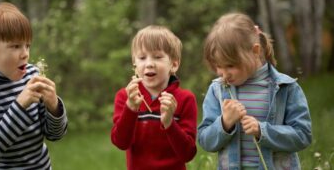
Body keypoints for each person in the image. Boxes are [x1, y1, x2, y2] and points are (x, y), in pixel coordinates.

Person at [0, 2, 68, 169]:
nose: (25, 54)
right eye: (16, 46)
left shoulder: (32, 75)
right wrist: (20, 105)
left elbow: (55, 135)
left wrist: (54, 107)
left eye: (27, 46)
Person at [198, 13, 312, 169]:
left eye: (230, 65)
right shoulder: (217, 90)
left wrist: (262, 131)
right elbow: (205, 141)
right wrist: (224, 123)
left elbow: (303, 136)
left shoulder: (286, 87)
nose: (224, 74)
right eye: (219, 66)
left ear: (255, 51)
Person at [111, 25, 197, 170]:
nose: (149, 64)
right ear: (135, 65)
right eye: (142, 58)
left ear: (174, 65)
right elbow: (120, 143)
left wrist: (169, 123)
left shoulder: (185, 99)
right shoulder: (125, 97)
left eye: (157, 57)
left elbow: (188, 154)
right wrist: (131, 108)